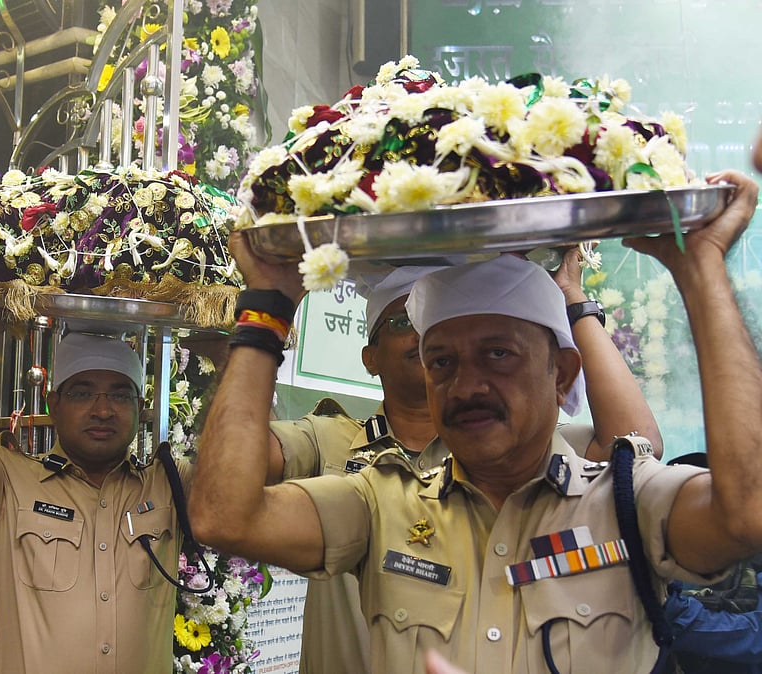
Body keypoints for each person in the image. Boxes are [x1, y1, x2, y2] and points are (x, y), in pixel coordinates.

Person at [189, 169, 762, 672]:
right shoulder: (381, 502)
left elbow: (746, 513)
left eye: (498, 354)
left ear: (562, 374)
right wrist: (267, 309)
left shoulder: (623, 502)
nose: (466, 386)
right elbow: (223, 517)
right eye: (442, 362)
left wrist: (700, 269)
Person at [0, 320, 188, 673]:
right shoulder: (10, 476)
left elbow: (246, 483)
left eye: (119, 395)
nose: (102, 411)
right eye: (82, 393)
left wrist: (227, 347)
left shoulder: (168, 484)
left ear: (140, 406)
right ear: (54, 404)